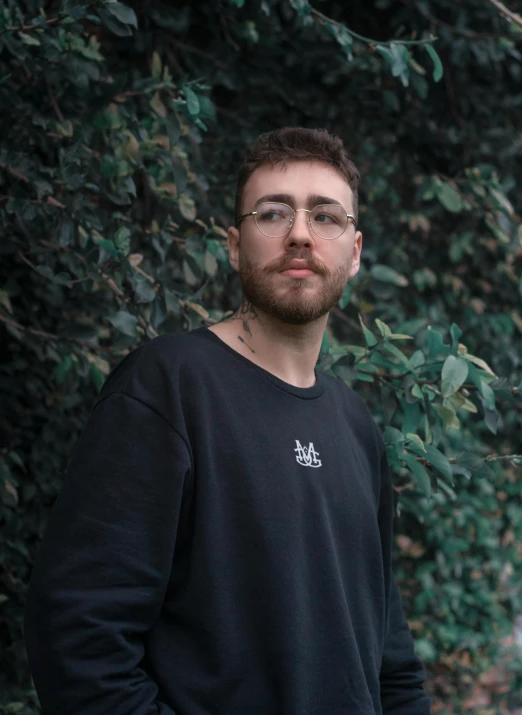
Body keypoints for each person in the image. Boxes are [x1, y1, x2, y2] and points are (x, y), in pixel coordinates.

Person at [24, 127, 433, 715]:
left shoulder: (355, 427)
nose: (298, 234)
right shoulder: (168, 387)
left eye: (326, 217)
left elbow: (389, 653)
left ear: (356, 251)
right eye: (272, 214)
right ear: (235, 245)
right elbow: (80, 641)